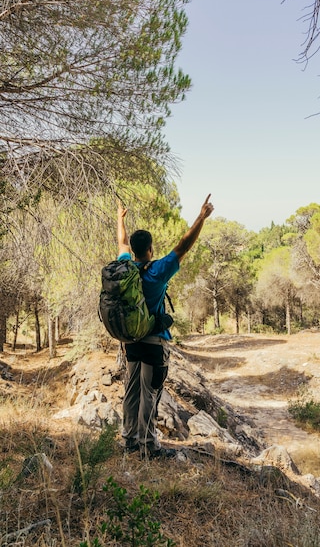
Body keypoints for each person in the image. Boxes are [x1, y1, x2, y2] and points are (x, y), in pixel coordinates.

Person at [117, 194, 214, 458]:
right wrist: (201, 217)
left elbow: (121, 241)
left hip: (130, 343)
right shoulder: (157, 271)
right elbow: (183, 246)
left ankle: (129, 441)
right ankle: (149, 447)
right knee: (150, 394)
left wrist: (119, 219)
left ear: (134, 250)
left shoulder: (125, 267)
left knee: (132, 392)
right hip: (153, 342)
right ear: (150, 248)